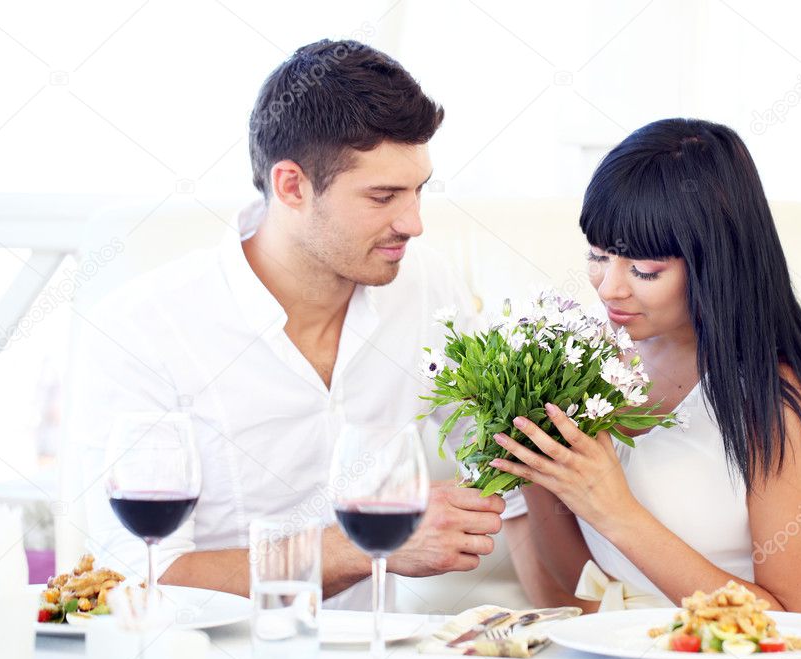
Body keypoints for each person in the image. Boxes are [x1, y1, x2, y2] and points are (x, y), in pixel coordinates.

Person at [64, 39, 504, 608]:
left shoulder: (425, 286)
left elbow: (499, 449)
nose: (414, 223)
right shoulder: (142, 331)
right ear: (291, 186)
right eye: (382, 196)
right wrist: (362, 547)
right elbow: (141, 576)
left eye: (417, 190)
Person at [498, 118, 801, 615]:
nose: (609, 288)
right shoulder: (592, 367)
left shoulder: (780, 399)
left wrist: (618, 512)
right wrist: (534, 462)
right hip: (618, 652)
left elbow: (796, 625)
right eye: (598, 256)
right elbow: (578, 580)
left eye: (645, 270)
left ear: (715, 261)